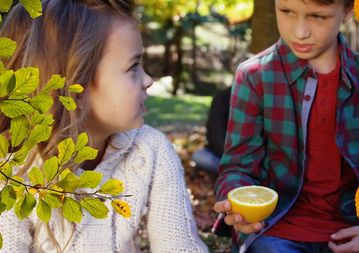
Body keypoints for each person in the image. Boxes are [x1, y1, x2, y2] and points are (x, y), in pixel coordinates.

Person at [0, 1, 208, 252]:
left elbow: (179, 245)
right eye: (133, 67)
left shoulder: (152, 151)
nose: (148, 80)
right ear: (75, 85)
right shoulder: (12, 174)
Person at [213, 0, 359, 252]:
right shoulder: (254, 76)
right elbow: (237, 166)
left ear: (348, 11)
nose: (300, 31)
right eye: (287, 12)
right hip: (276, 230)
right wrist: (236, 199)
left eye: (318, 17)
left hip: (352, 229)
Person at [192, 86, 231, 174]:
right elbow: (216, 136)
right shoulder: (223, 98)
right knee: (199, 156)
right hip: (224, 155)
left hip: (249, 158)